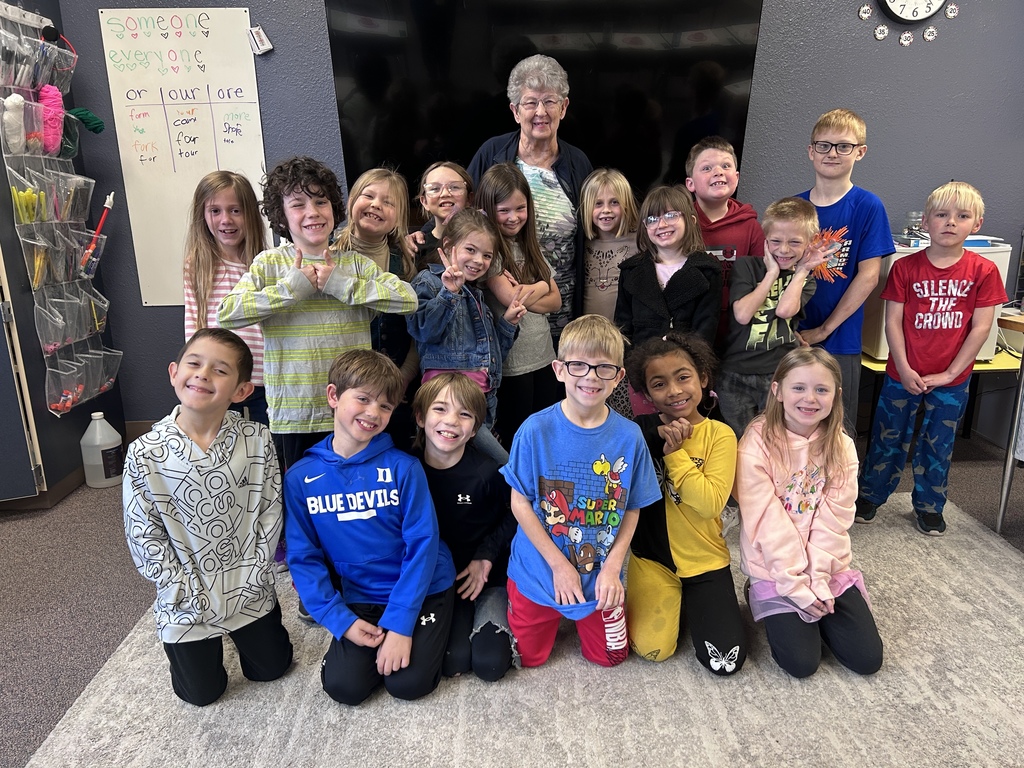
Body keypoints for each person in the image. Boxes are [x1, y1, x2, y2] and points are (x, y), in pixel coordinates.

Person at [122, 328, 292, 706]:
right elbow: (143, 531)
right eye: (194, 364)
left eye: (220, 370)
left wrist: (256, 571)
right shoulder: (144, 452)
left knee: (273, 668)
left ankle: (246, 631)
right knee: (202, 694)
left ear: (242, 391)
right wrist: (179, 587)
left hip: (247, 582)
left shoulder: (256, 438)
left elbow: (268, 509)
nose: (202, 375)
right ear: (173, 372)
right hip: (186, 596)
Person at [217, 156, 417, 471]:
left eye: (321, 202)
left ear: (334, 208)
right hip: (294, 415)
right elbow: (227, 313)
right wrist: (289, 289)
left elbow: (408, 299)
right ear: (281, 216)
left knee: (354, 495)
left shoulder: (355, 265)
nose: (312, 212)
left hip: (354, 410)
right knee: (303, 499)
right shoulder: (269, 265)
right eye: (298, 205)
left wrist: (343, 285)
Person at [283, 349, 456, 705]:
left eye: (386, 406)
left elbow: (423, 544)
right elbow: (303, 557)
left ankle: (447, 625)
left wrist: (401, 624)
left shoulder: (403, 468)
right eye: (363, 399)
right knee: (344, 688)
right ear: (333, 396)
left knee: (408, 684)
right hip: (361, 594)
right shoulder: (301, 478)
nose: (373, 413)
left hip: (424, 588)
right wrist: (338, 619)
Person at [501, 314, 661, 668]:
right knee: (527, 659)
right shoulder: (533, 430)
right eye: (578, 366)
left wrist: (613, 567)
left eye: (604, 368)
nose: (590, 376)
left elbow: (632, 506)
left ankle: (585, 604)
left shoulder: (630, 437)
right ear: (558, 369)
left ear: (618, 377)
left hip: (601, 575)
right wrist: (559, 566)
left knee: (611, 658)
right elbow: (520, 502)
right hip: (541, 570)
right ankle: (501, 599)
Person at [856, 182, 1006, 536]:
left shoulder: (983, 271)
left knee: (938, 442)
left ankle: (929, 505)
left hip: (952, 379)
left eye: (962, 216)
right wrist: (905, 367)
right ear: (926, 221)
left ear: (977, 223)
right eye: (941, 215)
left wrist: (952, 371)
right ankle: (870, 495)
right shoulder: (906, 268)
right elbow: (892, 321)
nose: (950, 222)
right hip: (902, 372)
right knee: (887, 437)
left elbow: (981, 328)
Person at [735, 347, 883, 678]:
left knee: (866, 659)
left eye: (821, 389)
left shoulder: (841, 446)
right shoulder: (755, 444)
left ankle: (821, 611)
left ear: (836, 395)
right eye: (799, 387)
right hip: (776, 568)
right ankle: (760, 593)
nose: (810, 399)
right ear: (778, 391)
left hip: (826, 566)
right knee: (802, 663)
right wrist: (797, 587)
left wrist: (818, 581)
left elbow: (835, 521)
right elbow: (766, 524)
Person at [624, 332, 745, 675]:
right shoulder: (636, 432)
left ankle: (701, 599)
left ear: (703, 378)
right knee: (653, 651)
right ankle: (673, 598)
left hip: (705, 558)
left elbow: (709, 505)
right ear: (646, 394)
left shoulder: (720, 434)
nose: (674, 391)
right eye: (659, 384)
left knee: (725, 663)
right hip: (652, 560)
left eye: (683, 377)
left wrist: (675, 457)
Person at [467, 54, 593, 342]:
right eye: (530, 102)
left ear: (564, 107)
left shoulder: (578, 163)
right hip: (500, 312)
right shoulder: (491, 153)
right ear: (515, 110)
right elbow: (463, 217)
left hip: (563, 314)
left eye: (550, 101)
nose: (541, 111)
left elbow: (594, 229)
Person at [412, 373, 518, 681]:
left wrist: (485, 557)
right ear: (421, 417)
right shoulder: (407, 470)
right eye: (440, 409)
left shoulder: (487, 472)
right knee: (453, 661)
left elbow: (516, 514)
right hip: (442, 578)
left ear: (474, 430)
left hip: (488, 571)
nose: (452, 421)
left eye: (465, 414)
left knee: (491, 663)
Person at [795, 108, 894, 434]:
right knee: (792, 422)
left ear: (860, 152)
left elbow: (869, 276)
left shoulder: (868, 206)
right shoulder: (793, 208)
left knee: (837, 428)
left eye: (843, 146)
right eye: (823, 145)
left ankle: (838, 487)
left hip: (839, 340)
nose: (832, 153)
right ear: (811, 151)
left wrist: (823, 330)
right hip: (792, 336)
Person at [406, 207, 529, 464]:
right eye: (470, 250)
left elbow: (492, 357)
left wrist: (506, 325)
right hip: (450, 403)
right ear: (448, 244)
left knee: (473, 473)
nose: (478, 261)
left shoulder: (477, 294)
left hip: (484, 403)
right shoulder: (429, 281)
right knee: (506, 467)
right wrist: (448, 294)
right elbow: (423, 330)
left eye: (486, 255)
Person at [717, 197, 830, 436]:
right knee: (739, 440)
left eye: (794, 242)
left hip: (778, 374)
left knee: (775, 437)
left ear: (810, 243)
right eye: (776, 241)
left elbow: (784, 311)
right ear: (765, 239)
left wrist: (801, 271)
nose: (784, 249)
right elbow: (743, 314)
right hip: (735, 372)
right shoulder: (747, 266)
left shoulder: (806, 279)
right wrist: (771, 274)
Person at [332, 167, 419, 451]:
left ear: (398, 219)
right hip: (347, 390)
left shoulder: (404, 264)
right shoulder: (330, 257)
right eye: (368, 196)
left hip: (394, 391)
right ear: (351, 202)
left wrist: (404, 375)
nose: (376, 205)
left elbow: (417, 330)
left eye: (388, 202)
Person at [616, 185, 722, 415]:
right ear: (645, 227)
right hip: (641, 376)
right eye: (652, 218)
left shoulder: (708, 270)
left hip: (685, 374)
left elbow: (706, 330)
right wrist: (635, 372)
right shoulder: (631, 271)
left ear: (691, 220)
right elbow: (623, 328)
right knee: (647, 434)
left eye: (671, 215)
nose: (661, 225)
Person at [478, 163, 563, 446]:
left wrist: (534, 287)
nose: (514, 218)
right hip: (514, 363)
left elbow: (556, 301)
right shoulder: (489, 249)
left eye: (520, 208)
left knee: (547, 433)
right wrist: (541, 288)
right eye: (504, 210)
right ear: (488, 209)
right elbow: (513, 300)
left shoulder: (530, 245)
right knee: (520, 437)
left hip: (545, 355)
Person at [183, 171, 269, 425]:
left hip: (264, 381)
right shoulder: (197, 266)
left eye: (235, 210)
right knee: (220, 448)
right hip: (218, 380)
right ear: (203, 215)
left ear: (250, 214)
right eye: (215, 211)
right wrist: (196, 371)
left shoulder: (267, 264)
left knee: (266, 446)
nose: (226, 220)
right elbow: (193, 325)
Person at [683, 136, 765, 353]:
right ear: (690, 183)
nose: (718, 171)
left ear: (736, 178)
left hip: (736, 336)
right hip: (689, 331)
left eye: (725, 166)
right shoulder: (678, 225)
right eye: (707, 168)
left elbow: (761, 283)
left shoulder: (751, 227)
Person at [580, 168, 640, 419]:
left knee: (622, 406)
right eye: (598, 204)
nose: (606, 210)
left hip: (626, 341)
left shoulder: (640, 242)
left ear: (626, 205)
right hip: (587, 341)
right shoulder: (581, 243)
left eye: (614, 202)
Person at [411, 161, 474, 268]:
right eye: (435, 188)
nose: (445, 193)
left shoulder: (484, 243)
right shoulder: (415, 248)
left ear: (469, 198)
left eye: (455, 187)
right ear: (424, 202)